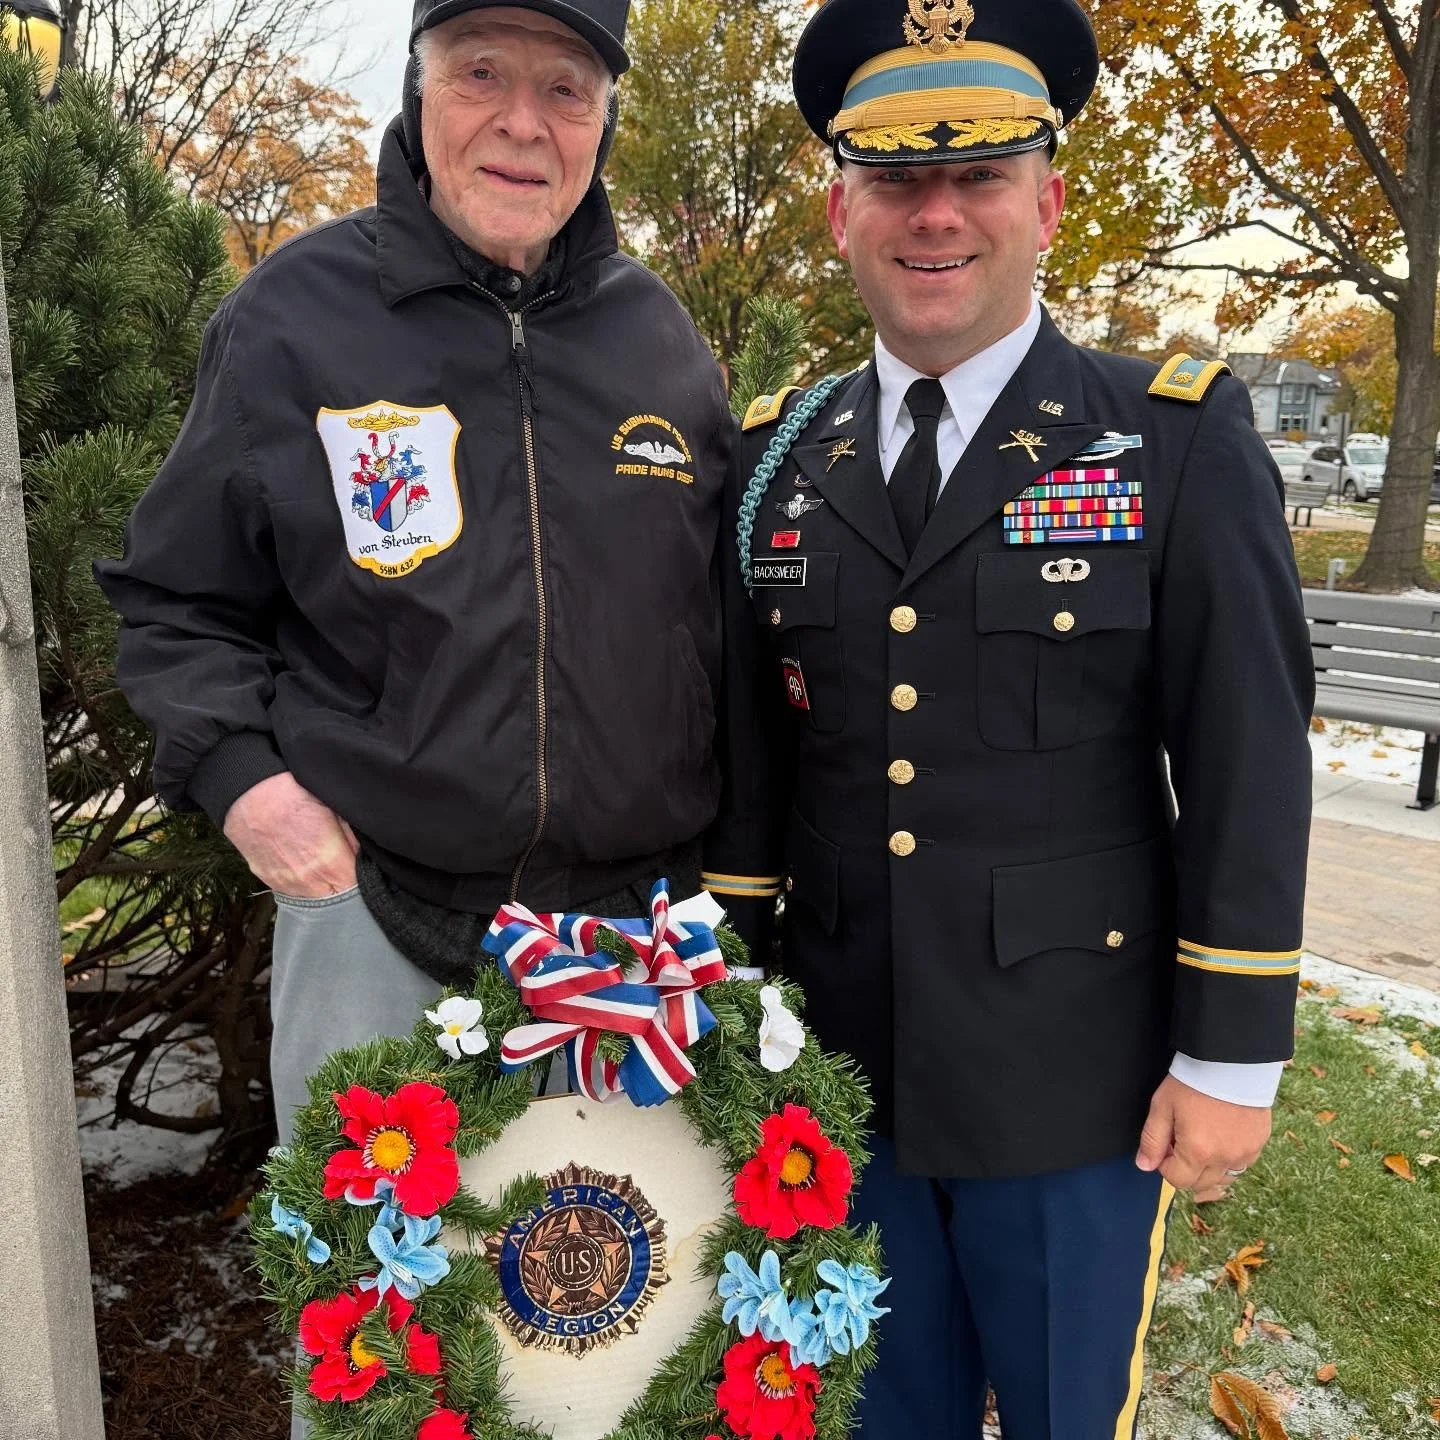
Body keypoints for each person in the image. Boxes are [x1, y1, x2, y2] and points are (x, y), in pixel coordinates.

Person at [706, 1, 1315, 1435]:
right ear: (839, 206)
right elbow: (754, 766)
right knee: (872, 1411)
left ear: (1046, 199)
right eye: (896, 179)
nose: (936, 216)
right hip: (836, 1075)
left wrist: (1230, 1055)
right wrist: (729, 998)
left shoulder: (1167, 436)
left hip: (1076, 1082)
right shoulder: (784, 455)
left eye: (976, 175)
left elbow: (1246, 757)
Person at [96, 0, 735, 1148]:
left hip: (627, 947)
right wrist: (251, 790)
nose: (522, 124)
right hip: (376, 924)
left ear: (605, 119)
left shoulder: (662, 342)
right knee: (381, 1314)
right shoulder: (291, 320)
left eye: (565, 88)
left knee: (625, 1310)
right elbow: (175, 600)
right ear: (417, 86)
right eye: (481, 73)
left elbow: (714, 618)